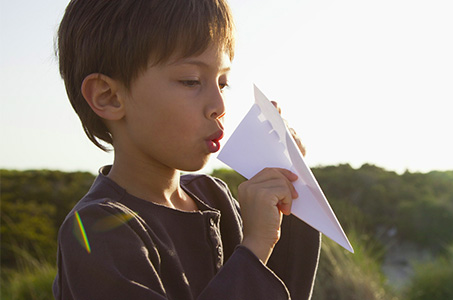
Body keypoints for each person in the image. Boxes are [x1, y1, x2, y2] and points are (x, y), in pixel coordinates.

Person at [52, 0, 321, 299]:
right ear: (109, 97)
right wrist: (255, 246)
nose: (218, 106)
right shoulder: (97, 230)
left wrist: (290, 192)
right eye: (191, 81)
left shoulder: (215, 197)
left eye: (222, 83)